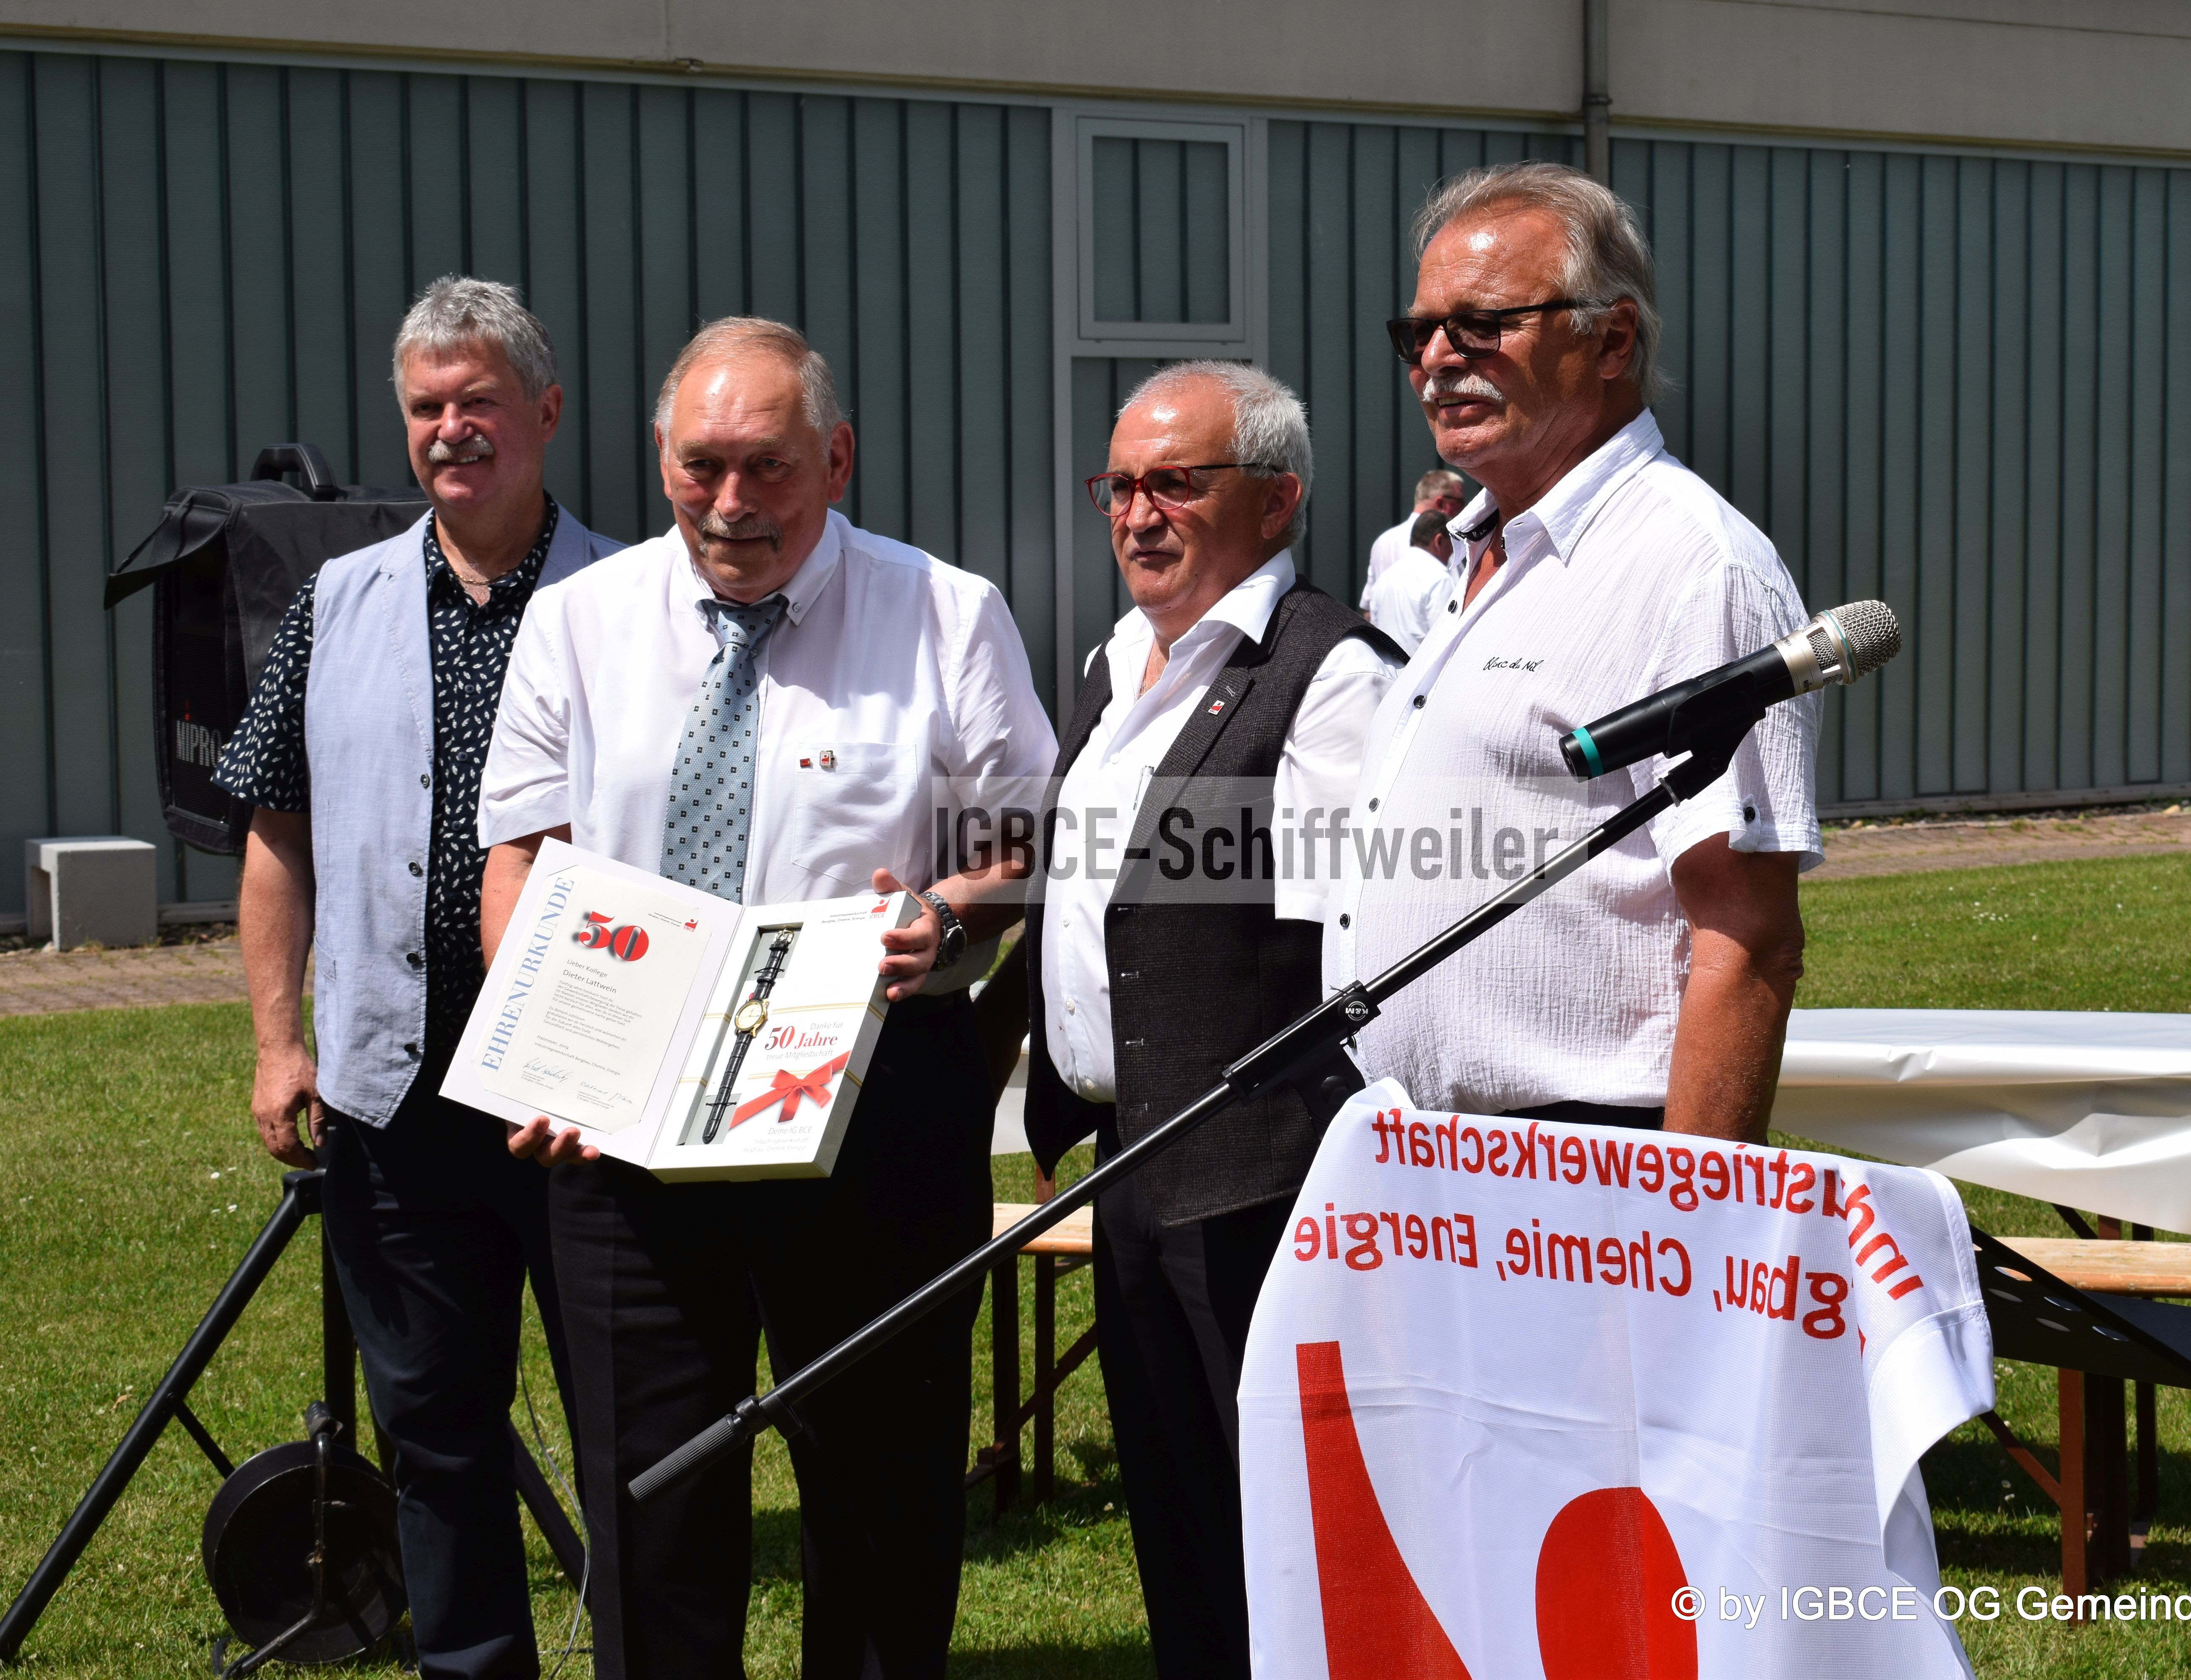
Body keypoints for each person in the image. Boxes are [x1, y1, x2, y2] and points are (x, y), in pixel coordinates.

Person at [477, 316, 1055, 1680]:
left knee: (883, 1488)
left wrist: (951, 909)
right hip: (625, 1117)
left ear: (837, 459)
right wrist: (540, 1055)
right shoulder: (580, 620)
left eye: (769, 468)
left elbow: (1033, 837)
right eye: (702, 466)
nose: (732, 502)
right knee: (651, 1499)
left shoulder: (944, 613)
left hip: (872, 1100)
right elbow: (524, 855)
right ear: (660, 458)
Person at [215, 276, 619, 1680]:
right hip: (395, 1093)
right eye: (428, 407)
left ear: (546, 412)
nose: (454, 430)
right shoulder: (338, 602)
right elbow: (275, 830)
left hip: (584, 1095)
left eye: (481, 402)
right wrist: (281, 1042)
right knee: (437, 1437)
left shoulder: (634, 598)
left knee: (631, 1429)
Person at [1025, 362, 1399, 1677]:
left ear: (1276, 499)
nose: (1138, 514)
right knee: (1177, 1522)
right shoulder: (1114, 662)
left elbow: (1353, 941)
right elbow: (1091, 895)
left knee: (1277, 1530)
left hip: (1258, 1178)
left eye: (1176, 482)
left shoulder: (1329, 672)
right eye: (1120, 485)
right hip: (1129, 1161)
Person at [1330, 160, 1820, 1142]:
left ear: (1613, 338)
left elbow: (1749, 941)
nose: (1438, 359)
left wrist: (1685, 1211)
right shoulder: (1478, 552)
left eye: (1482, 325)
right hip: (1411, 1153)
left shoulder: (1694, 564)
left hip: (1584, 1157)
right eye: (1419, 333)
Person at [1359, 465, 1466, 601]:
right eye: (1460, 502)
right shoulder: (1444, 541)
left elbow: (1369, 606)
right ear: (1441, 504)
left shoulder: (1384, 542)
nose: (1463, 509)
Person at [1358, 508, 1454, 654]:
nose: (1452, 552)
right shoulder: (1441, 579)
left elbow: (1375, 630)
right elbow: (1446, 639)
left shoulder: (1384, 580)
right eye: (1451, 544)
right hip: (1424, 667)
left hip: (1388, 666)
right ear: (1439, 541)